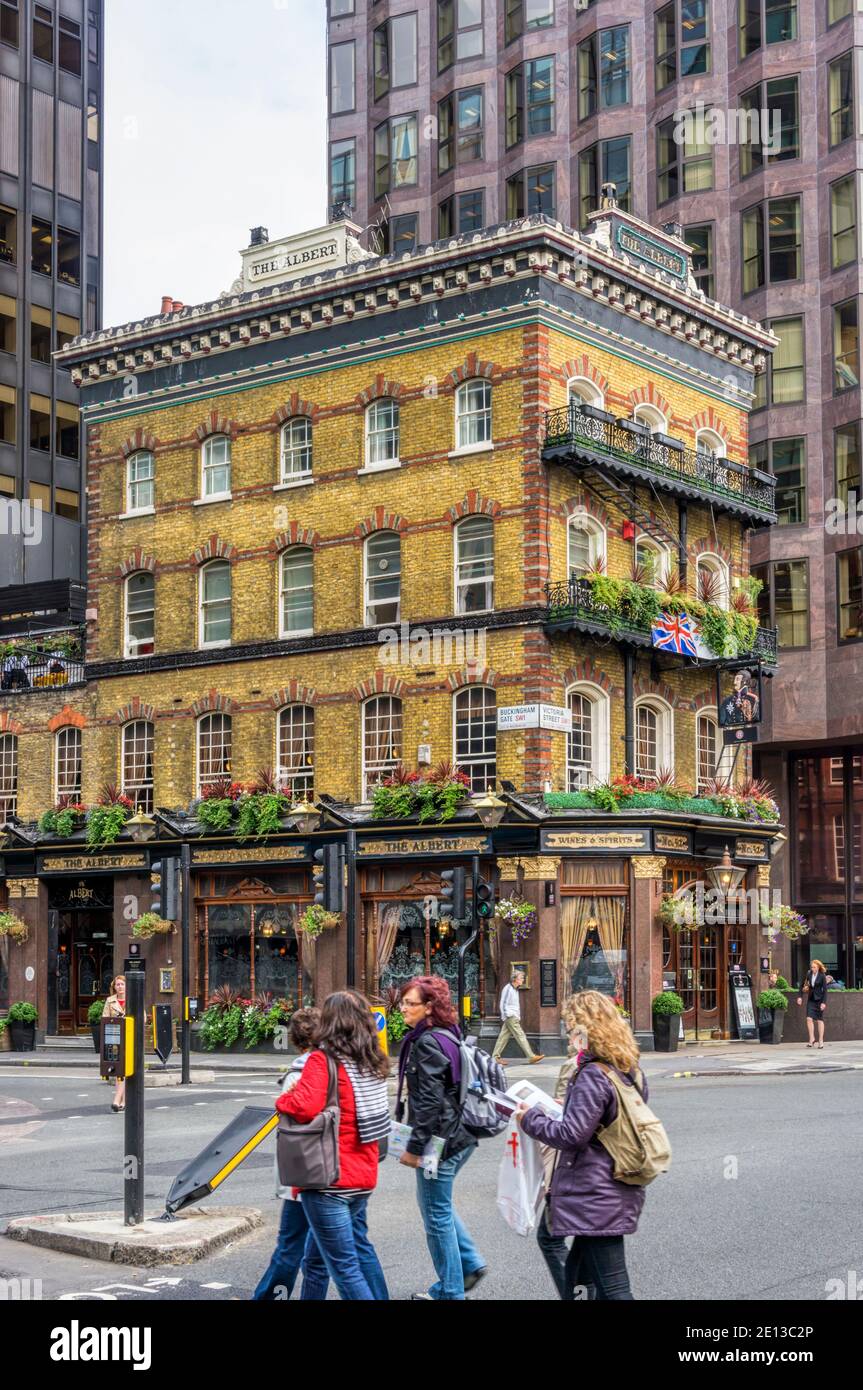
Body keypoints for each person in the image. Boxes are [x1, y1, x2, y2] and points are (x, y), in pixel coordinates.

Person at [516, 990, 647, 1301]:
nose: (568, 1033)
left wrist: (530, 1118)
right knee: (580, 1280)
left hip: (596, 1192)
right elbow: (609, 1118)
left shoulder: (592, 1074)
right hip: (614, 1184)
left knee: (614, 1291)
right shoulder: (626, 1067)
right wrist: (570, 1103)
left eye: (571, 1026)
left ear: (587, 1029)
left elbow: (572, 1135)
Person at [276, 990, 390, 1301]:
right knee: (317, 1259)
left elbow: (302, 1106)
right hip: (363, 1176)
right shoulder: (372, 1062)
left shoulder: (322, 1060)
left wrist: (282, 1099)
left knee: (345, 1269)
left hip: (329, 1179)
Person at [397, 976, 487, 1302]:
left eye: (410, 1003)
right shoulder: (449, 1035)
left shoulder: (427, 1043)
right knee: (438, 1208)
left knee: (435, 1217)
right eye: (403, 1002)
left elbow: (429, 1104)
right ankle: (470, 1265)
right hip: (460, 1136)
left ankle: (451, 1291)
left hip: (441, 1143)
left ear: (429, 1007)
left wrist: (414, 1149)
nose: (403, 1008)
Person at [253, 1007, 330, 1302]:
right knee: (322, 1250)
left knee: (290, 1245)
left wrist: (282, 1100)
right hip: (328, 1168)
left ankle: (267, 1298)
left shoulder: (300, 1072)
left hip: (300, 1170)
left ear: (296, 1038)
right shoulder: (334, 1066)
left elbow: (292, 1117)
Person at [535, 1019, 588, 1301]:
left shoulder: (576, 1066)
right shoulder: (618, 1063)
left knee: (551, 1238)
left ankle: (579, 1296)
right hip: (599, 1178)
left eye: (572, 1033)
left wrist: (532, 1116)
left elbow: (567, 1126)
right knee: (590, 1246)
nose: (568, 1037)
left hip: (572, 1170)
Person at [492, 970, 544, 1065]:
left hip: (513, 1016)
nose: (523, 980)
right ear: (515, 979)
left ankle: (495, 1057)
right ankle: (531, 1056)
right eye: (521, 978)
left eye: (523, 978)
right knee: (520, 1035)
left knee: (503, 1037)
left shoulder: (515, 989)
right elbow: (503, 1004)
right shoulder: (508, 988)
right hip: (510, 1016)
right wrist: (507, 1015)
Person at [103, 977, 126, 1112]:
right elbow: (104, 1019)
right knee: (119, 1070)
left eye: (122, 984)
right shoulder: (110, 1001)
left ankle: (118, 1101)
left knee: (127, 1070)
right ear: (114, 987)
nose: (120, 987)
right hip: (115, 1040)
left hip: (130, 1039)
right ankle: (120, 1100)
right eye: (118, 984)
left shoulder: (134, 997)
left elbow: (143, 1018)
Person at [797, 959, 828, 1048]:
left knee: (819, 1020)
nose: (812, 969)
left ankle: (821, 1040)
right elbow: (802, 985)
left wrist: (824, 1003)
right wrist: (800, 997)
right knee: (809, 1019)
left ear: (818, 967)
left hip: (820, 1000)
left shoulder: (822, 976)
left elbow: (825, 991)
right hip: (811, 999)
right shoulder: (809, 974)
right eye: (812, 967)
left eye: (814, 967)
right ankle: (812, 1039)